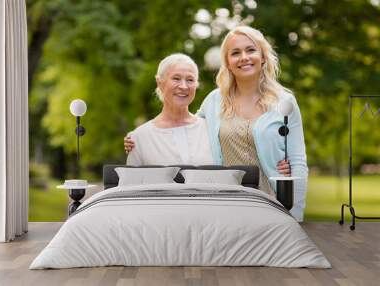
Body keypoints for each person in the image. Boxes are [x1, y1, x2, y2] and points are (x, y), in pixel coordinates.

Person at [125, 26, 307, 221]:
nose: (244, 57)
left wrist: (294, 213)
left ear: (263, 56)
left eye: (251, 50)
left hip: (271, 203)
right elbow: (185, 125)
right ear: (227, 62)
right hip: (224, 206)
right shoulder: (214, 101)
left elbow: (298, 162)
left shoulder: (284, 103)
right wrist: (140, 137)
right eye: (235, 53)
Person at [126, 53, 214, 166]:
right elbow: (134, 181)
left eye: (190, 80)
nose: (184, 86)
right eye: (176, 78)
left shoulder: (211, 129)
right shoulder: (139, 138)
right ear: (160, 83)